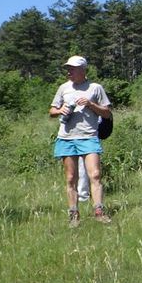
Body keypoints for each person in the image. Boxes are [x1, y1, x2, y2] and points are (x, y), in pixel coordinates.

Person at [49, 55, 113, 227]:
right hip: (67, 138)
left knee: (95, 175)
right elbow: (52, 111)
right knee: (71, 178)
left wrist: (90, 104)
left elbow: (107, 113)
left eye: (73, 68)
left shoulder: (95, 88)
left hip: (89, 136)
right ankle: (74, 215)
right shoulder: (63, 88)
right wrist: (60, 110)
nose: (69, 72)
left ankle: (99, 211)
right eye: (68, 69)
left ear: (83, 70)